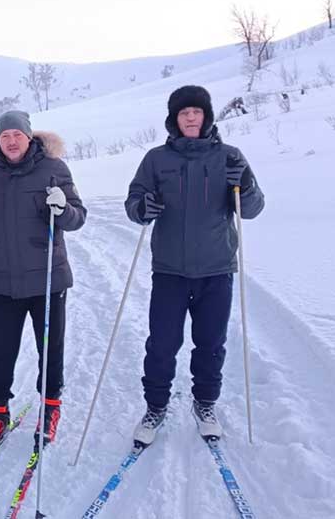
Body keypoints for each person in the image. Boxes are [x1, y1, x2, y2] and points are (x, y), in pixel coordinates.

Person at [124, 86, 265, 445]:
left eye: (196, 112)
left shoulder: (230, 157)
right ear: (174, 119)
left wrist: (244, 183)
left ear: (206, 117)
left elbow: (251, 208)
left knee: (211, 343)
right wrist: (143, 207)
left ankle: (205, 404)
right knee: (162, 343)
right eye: (183, 113)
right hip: (170, 269)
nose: (190, 118)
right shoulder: (156, 159)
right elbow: (134, 201)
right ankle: (156, 406)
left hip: (216, 268)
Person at [0, 110, 86, 454]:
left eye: (17, 134)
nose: (11, 141)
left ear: (29, 137)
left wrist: (64, 209)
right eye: (4, 136)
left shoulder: (54, 168)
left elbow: (77, 218)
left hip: (47, 278)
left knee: (50, 350)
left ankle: (50, 409)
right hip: (2, 280)